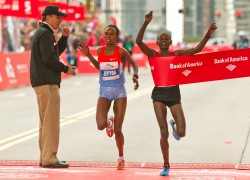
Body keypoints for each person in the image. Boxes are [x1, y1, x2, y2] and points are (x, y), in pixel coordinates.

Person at [136, 11, 217, 176]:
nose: (164, 40)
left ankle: (174, 125)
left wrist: (208, 35)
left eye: (167, 38)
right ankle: (166, 164)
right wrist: (146, 23)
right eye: (161, 38)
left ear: (171, 42)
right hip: (158, 95)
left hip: (174, 95)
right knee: (163, 132)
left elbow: (197, 49)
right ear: (157, 42)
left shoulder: (177, 54)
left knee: (181, 133)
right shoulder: (153, 54)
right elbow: (138, 41)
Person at [78, 24, 139, 170]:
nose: (108, 36)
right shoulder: (100, 51)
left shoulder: (121, 51)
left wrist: (135, 75)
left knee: (118, 129)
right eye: (106, 34)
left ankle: (121, 158)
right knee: (100, 125)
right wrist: (88, 55)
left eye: (111, 34)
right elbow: (100, 67)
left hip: (120, 93)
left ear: (116, 36)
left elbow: (134, 63)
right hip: (104, 92)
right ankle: (108, 122)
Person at [30, 5, 76, 168]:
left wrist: (63, 39)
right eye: (58, 17)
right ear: (48, 17)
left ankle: (45, 156)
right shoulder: (45, 34)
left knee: (45, 123)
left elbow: (52, 54)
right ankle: (49, 157)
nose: (61, 20)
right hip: (47, 82)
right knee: (51, 123)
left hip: (42, 82)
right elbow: (49, 59)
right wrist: (66, 69)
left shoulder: (43, 33)